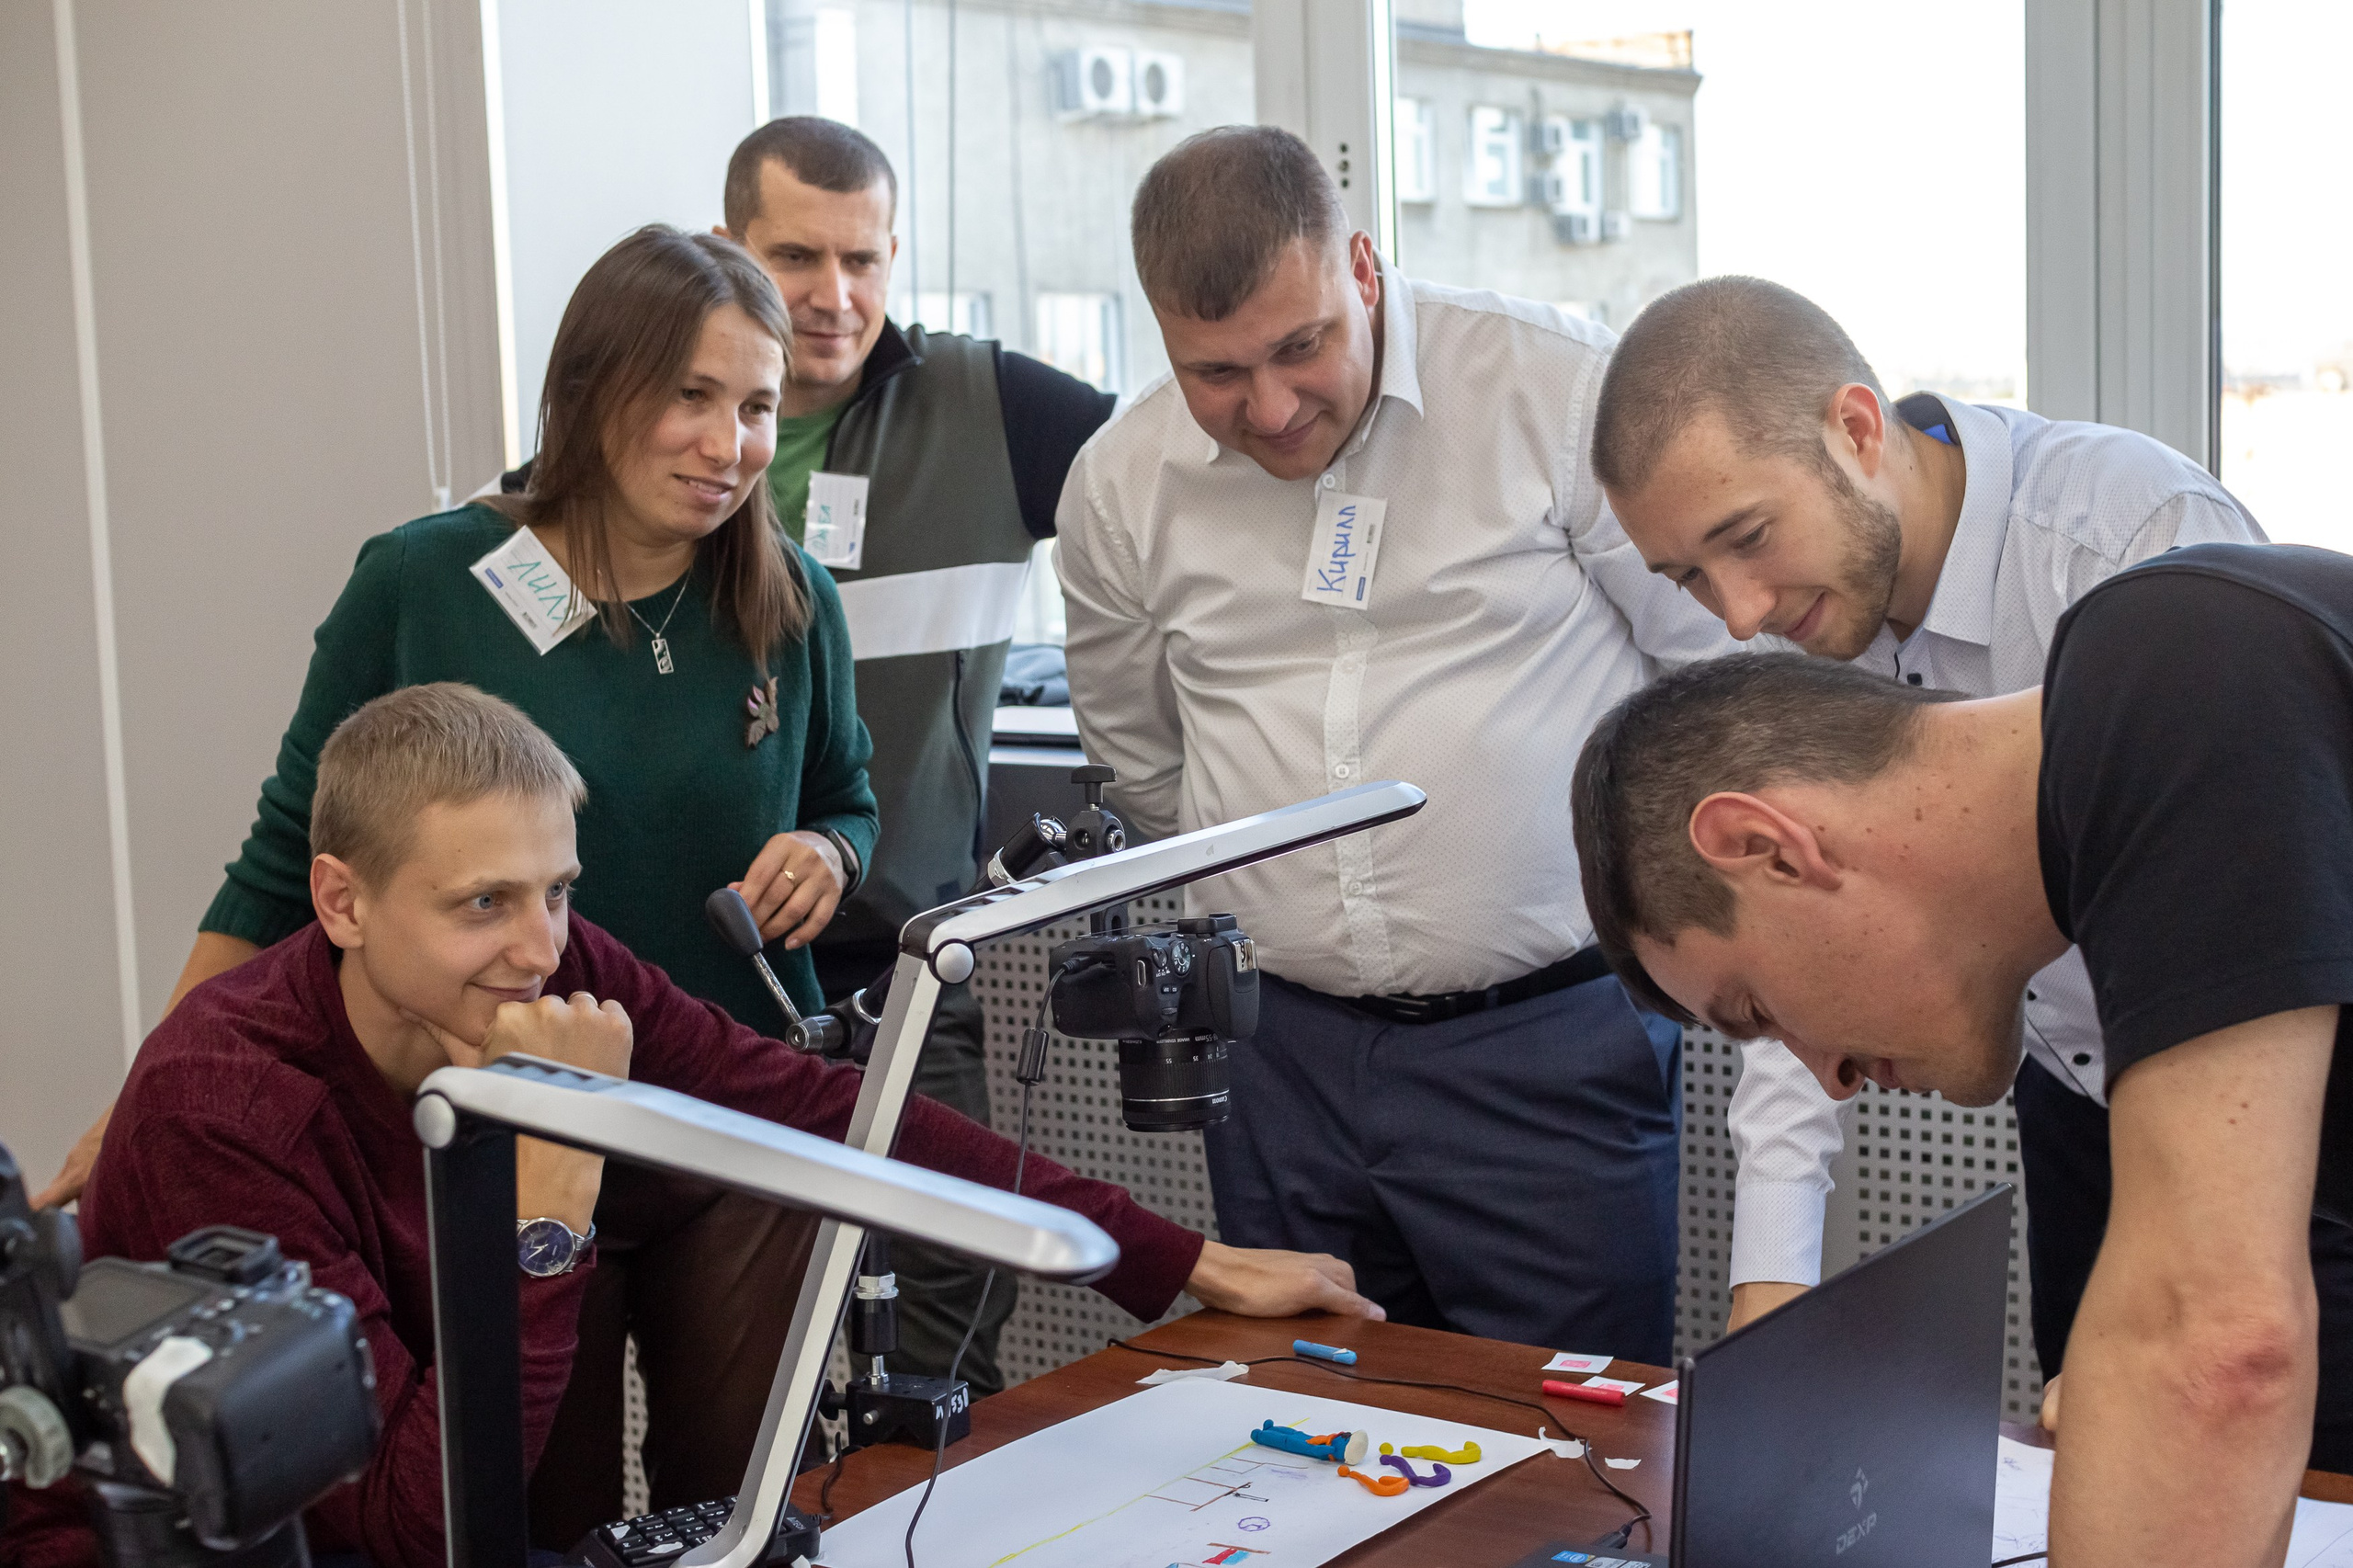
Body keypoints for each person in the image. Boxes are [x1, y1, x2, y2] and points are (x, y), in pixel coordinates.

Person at [0, 683, 1376, 1568]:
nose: (541, 947)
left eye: (557, 890)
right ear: (343, 901)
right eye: (483, 901)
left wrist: (1168, 1256)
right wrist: (549, 1194)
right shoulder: (226, 1103)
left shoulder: (559, 962)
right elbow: (405, 1528)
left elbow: (828, 1105)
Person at [39, 224, 869, 1545]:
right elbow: (284, 862)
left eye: (759, 406)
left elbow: (847, 799)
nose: (729, 443)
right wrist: (144, 1096)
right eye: (690, 396)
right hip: (515, 1116)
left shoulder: (790, 599)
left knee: (741, 1510)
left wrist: (831, 852)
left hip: (724, 1128)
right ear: (595, 390)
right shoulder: (427, 579)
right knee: (537, 1500)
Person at [1583, 275, 2353, 1463]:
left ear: (1854, 428)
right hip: (2073, 1095)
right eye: (1687, 577)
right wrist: (1772, 1288)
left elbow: (2250, 863)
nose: (1736, 613)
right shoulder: (1803, 624)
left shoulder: (2137, 557)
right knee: (2099, 1434)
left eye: (1746, 539)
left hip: (2277, 1066)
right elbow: (1786, 946)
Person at [1053, 125, 1740, 1360]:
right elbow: (1142, 761)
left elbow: (1715, 695)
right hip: (1278, 1062)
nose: (1268, 407)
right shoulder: (1119, 482)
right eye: (1214, 372)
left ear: (1363, 267)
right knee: (1318, 1435)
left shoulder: (1561, 393)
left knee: (1577, 1454)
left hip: (1550, 1042)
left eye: (1300, 345)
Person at [709, 116, 1120, 1395]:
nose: (836, 298)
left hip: (908, 964)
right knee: (734, 1335)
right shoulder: (660, 435)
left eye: (865, 259)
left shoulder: (994, 407)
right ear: (728, 247)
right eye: (795, 257)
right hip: (701, 971)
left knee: (946, 1306)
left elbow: (1188, 499)